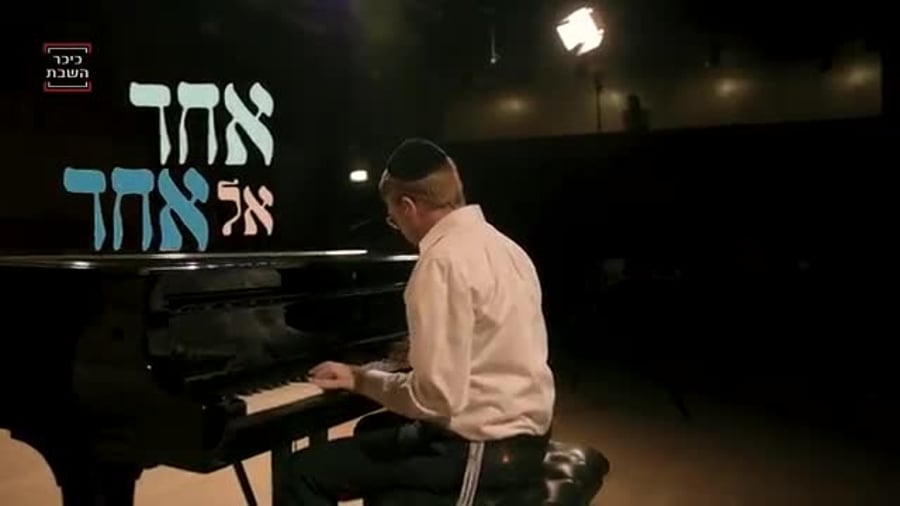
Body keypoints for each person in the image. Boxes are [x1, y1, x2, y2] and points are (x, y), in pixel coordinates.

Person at [288, 138, 555, 505]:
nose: (396, 226)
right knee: (372, 428)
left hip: (481, 451)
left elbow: (435, 399)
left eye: (392, 217)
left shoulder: (440, 262)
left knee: (302, 473)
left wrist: (361, 378)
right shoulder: (507, 248)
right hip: (527, 440)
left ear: (408, 206)